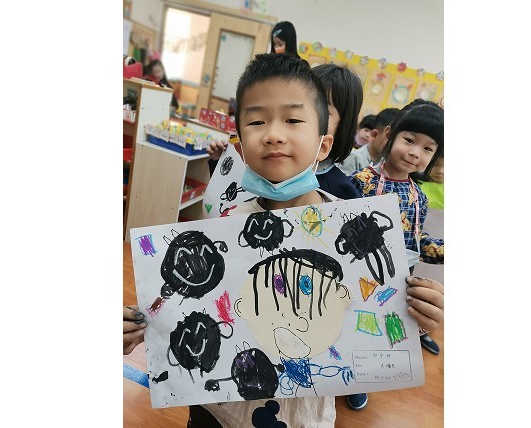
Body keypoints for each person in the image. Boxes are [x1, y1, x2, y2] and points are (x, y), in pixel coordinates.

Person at [125, 54, 445, 427]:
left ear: (323, 145)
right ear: (241, 146)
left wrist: (419, 315)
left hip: (300, 417)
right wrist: (139, 325)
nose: (274, 134)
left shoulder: (353, 231)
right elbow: (191, 308)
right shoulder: (224, 224)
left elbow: (373, 316)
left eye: (293, 120)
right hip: (214, 412)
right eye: (256, 121)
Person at [349, 101, 444, 359]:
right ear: (389, 134)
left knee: (382, 336)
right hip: (356, 273)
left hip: (398, 281)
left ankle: (372, 368)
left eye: (427, 148)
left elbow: (416, 243)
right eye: (409, 140)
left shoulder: (419, 197)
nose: (415, 152)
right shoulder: (361, 181)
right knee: (351, 326)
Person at [206, 61, 363, 201]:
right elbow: (229, 197)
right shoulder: (269, 161)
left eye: (294, 119)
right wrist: (222, 162)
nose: (275, 135)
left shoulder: (343, 194)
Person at [311, 63, 364, 200]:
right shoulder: (266, 167)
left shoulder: (343, 195)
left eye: (322, 109)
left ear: (344, 124)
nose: (306, 115)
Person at [338, 108, 400, 177]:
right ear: (374, 134)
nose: (393, 145)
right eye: (389, 138)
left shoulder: (385, 163)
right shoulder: (355, 158)